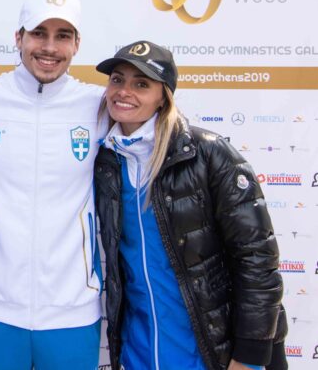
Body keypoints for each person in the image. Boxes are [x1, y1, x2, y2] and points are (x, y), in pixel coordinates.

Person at [93, 41, 289, 370]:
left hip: (213, 350)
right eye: (117, 79)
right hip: (141, 349)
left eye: (141, 84)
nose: (124, 91)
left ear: (163, 96)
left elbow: (257, 260)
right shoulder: (105, 161)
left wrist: (250, 355)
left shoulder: (209, 155)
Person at [0, 0, 104, 369]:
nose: (50, 47)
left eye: (62, 36)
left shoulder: (99, 105)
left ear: (76, 44)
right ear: (19, 38)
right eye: (39, 33)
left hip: (73, 310)